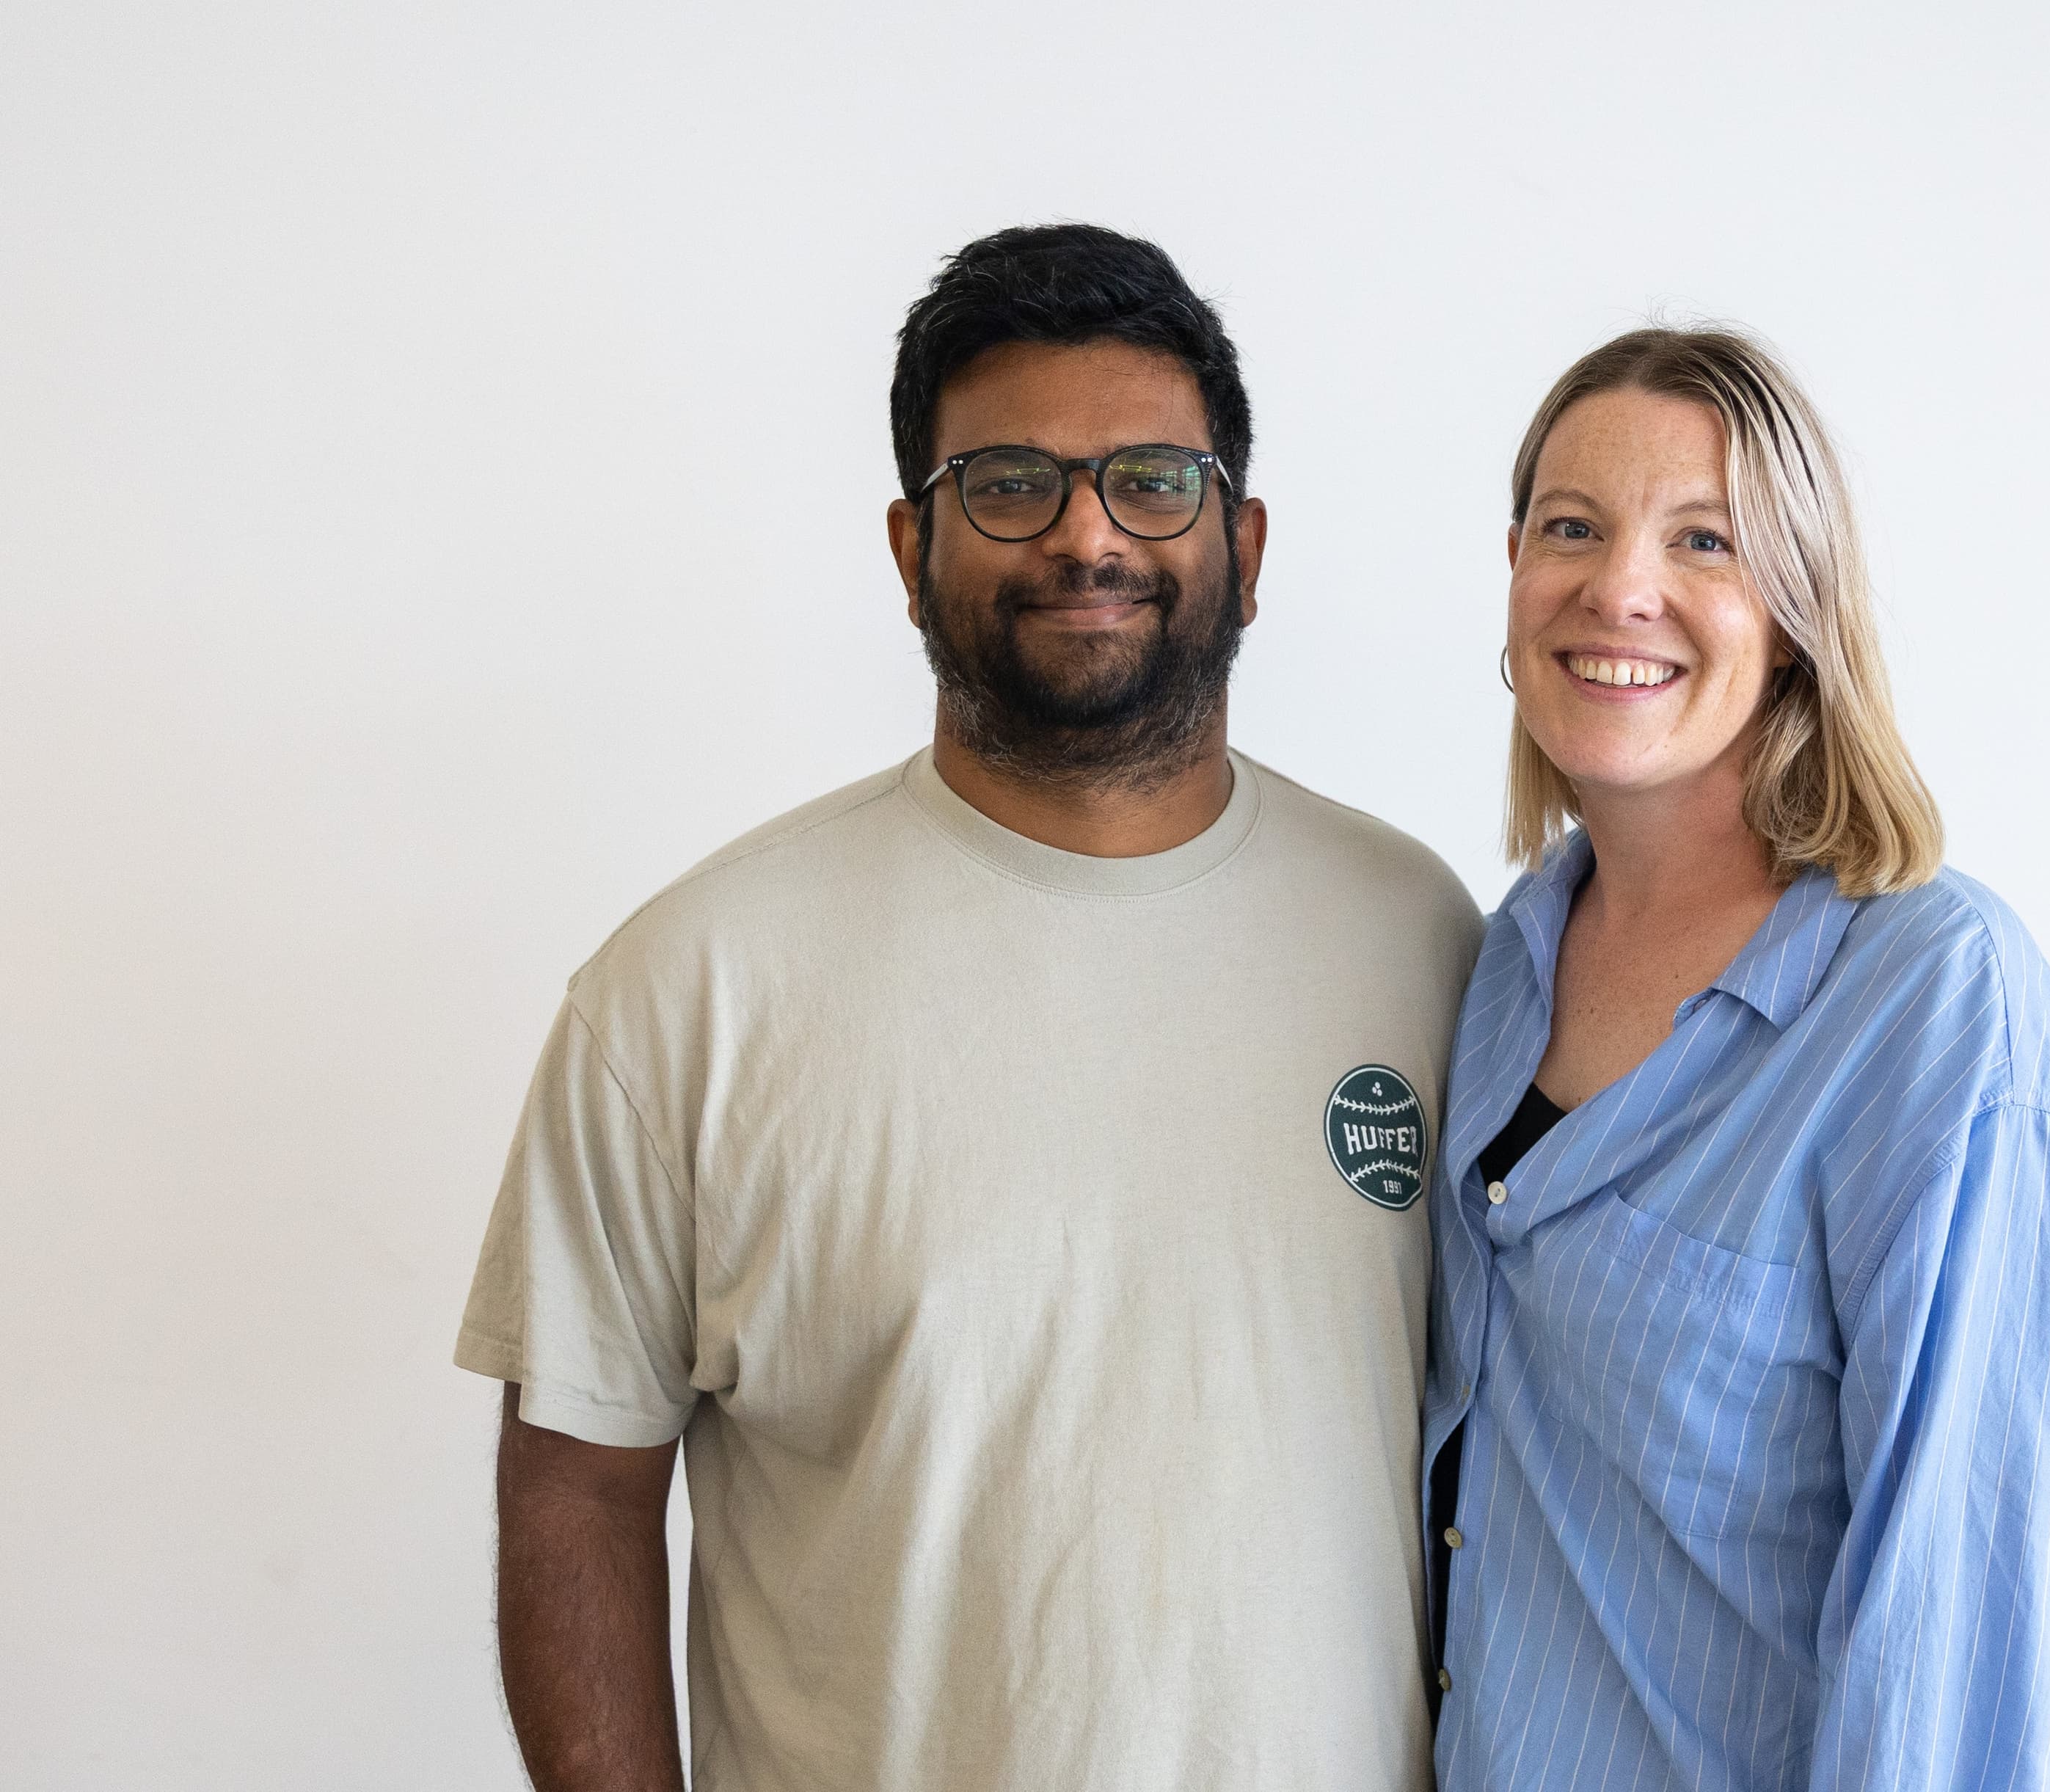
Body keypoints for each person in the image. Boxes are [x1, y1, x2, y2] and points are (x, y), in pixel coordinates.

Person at [456, 224, 1482, 1792]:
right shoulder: (692, 988)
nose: (1087, 536)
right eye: (1010, 482)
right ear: (908, 543)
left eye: (1152, 478)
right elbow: (576, 1491)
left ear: (1246, 543)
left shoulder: (1420, 937)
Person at [1424, 328, 2050, 1792]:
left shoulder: (1944, 1027)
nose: (1619, 585)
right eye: (1571, 527)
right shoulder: (1505, 960)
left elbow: (1975, 1680)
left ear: (1796, 611)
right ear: (1514, 571)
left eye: (1702, 538)